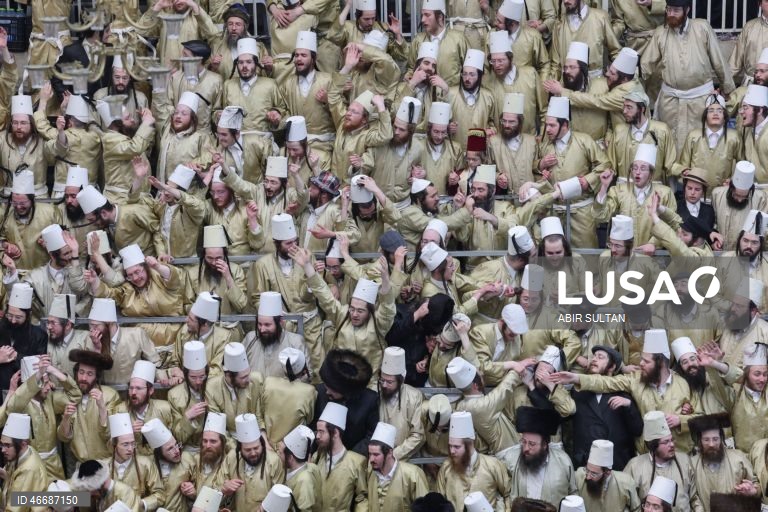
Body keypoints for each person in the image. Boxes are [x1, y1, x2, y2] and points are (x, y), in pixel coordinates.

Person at [553, 329, 699, 453]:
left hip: (679, 453)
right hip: (646, 454)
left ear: (660, 363)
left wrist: (680, 420)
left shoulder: (684, 384)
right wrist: (576, 378)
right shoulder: (635, 379)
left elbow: (702, 417)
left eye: (646, 361)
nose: (640, 364)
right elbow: (606, 382)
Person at [641, 0, 735, 151]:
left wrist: (728, 88)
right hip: (670, 101)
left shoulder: (702, 27)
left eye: (676, 11)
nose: (671, 14)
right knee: (668, 143)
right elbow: (646, 64)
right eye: (668, 10)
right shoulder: (660, 32)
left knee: (699, 141)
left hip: (699, 100)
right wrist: (629, 82)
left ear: (687, 10)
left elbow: (718, 60)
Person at [86, 244, 186, 349]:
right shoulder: (128, 289)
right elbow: (109, 293)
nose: (135, 278)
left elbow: (173, 277)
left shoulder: (159, 277)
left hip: (174, 340)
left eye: (137, 272)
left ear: (145, 268)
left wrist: (157, 266)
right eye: (130, 275)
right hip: (142, 345)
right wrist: (94, 281)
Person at [3, 355, 80, 480]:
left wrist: (53, 370)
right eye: (44, 383)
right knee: (29, 499)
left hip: (53, 464)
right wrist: (39, 374)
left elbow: (75, 396)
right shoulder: (21, 405)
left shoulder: (50, 398)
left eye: (48, 381)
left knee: (61, 498)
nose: (49, 386)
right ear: (34, 384)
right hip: (29, 467)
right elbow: (11, 406)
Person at [593, 144, 681, 248]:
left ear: (651, 174)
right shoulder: (618, 191)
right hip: (624, 256)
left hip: (654, 256)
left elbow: (672, 224)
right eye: (634, 168)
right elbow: (600, 216)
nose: (637, 172)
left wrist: (653, 244)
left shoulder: (665, 193)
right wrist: (604, 186)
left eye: (643, 169)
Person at [568, 345, 642, 470]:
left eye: (600, 357)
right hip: (586, 464)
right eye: (593, 357)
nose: (594, 359)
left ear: (612, 367)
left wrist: (628, 405)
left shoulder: (623, 394)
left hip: (616, 465)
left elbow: (637, 429)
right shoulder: (578, 392)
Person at [623, 411, 701, 512]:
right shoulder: (634, 466)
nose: (672, 445)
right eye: (666, 442)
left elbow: (695, 499)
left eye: (671, 440)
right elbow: (625, 503)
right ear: (653, 446)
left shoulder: (685, 461)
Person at [500, 406, 577, 505]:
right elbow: (502, 492)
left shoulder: (563, 461)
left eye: (532, 444)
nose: (526, 448)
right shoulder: (511, 459)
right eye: (523, 442)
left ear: (545, 445)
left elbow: (573, 494)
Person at [436, 411, 511, 510]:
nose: (452, 451)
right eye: (450, 446)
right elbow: (439, 502)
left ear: (469, 445)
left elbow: (508, 495)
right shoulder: (446, 467)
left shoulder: (492, 465)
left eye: (456, 447)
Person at [360, 96, 425, 208]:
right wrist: (357, 166)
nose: (396, 132)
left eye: (402, 130)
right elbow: (364, 167)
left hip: (404, 205)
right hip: (378, 204)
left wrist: (419, 175)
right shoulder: (380, 143)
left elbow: (418, 169)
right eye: (395, 127)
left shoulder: (418, 148)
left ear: (411, 132)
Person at [58, 349, 120, 463]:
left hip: (106, 463)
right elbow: (64, 437)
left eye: (89, 374)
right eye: (81, 372)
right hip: (81, 465)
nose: (84, 378)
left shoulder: (110, 395)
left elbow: (110, 435)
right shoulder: (70, 397)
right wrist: (66, 418)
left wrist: (101, 407)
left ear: (97, 376)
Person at [689, 413, 760, 511]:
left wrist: (753, 491)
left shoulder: (738, 458)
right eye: (706, 440)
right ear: (700, 441)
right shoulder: (692, 464)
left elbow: (756, 485)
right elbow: (692, 497)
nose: (711, 444)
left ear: (722, 439)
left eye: (715, 439)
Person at [671, 95, 742, 192]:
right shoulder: (694, 136)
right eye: (711, 110)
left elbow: (741, 163)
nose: (715, 113)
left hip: (723, 192)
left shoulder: (734, 137)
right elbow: (684, 164)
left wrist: (733, 181)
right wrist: (686, 173)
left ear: (725, 117)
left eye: (720, 111)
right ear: (705, 117)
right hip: (696, 193)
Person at [607, 88, 676, 184]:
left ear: (642, 109)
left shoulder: (662, 130)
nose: (624, 111)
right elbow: (611, 163)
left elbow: (670, 163)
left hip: (653, 190)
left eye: (629, 107)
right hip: (624, 189)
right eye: (624, 107)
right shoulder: (619, 131)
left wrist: (682, 170)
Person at [0, 95, 64, 197]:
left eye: (23, 123)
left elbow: (58, 149)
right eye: (15, 123)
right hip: (10, 199)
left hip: (38, 198)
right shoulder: (3, 139)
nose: (19, 127)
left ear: (31, 124)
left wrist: (60, 132)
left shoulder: (41, 141)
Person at [222, 38, 285, 135]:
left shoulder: (270, 84)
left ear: (256, 64)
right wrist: (218, 115)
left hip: (263, 143)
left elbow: (284, 110)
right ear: (236, 65)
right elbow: (217, 111)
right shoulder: (228, 85)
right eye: (241, 62)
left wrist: (277, 114)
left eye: (248, 62)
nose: (244, 66)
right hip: (235, 143)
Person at [220, 414, 284, 510]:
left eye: (256, 448)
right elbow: (216, 489)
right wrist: (224, 490)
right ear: (240, 449)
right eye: (248, 450)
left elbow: (280, 497)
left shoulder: (274, 461)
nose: (253, 453)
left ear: (262, 444)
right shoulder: (232, 458)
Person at [313, 402, 369, 511]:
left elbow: (362, 499)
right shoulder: (318, 456)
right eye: (317, 431)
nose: (317, 436)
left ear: (335, 433)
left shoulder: (356, 462)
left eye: (321, 432)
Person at [105, 412, 165, 511]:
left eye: (133, 444)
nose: (130, 449)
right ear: (114, 446)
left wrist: (141, 504)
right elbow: (88, 496)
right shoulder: (103, 467)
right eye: (125, 444)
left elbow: (160, 495)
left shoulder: (145, 464)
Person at [243, 291, 310, 379]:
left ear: (280, 322)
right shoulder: (250, 339)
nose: (262, 329)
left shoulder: (296, 342)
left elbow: (307, 376)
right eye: (259, 324)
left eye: (267, 325)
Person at [205, 342, 265, 438]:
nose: (248, 379)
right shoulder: (211, 388)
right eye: (243, 377)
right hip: (228, 440)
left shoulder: (256, 380)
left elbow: (259, 418)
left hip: (255, 436)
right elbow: (219, 428)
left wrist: (263, 442)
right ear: (228, 376)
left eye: (248, 374)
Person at [115, 361, 175, 457]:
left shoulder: (164, 408)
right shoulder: (120, 411)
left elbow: (175, 439)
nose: (133, 392)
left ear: (150, 390)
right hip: (133, 464)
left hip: (161, 461)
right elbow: (111, 444)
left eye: (138, 388)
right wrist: (128, 432)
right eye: (131, 388)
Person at [5, 170, 62, 271]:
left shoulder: (50, 212)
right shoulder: (6, 215)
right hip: (15, 272)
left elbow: (65, 242)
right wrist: (5, 245)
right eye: (14, 202)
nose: (18, 207)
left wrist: (51, 243)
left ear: (32, 200)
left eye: (22, 203)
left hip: (44, 274)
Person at [366, 422, 429, 511]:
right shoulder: (370, 472)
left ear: (390, 452)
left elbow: (424, 508)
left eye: (376, 455)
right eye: (370, 454)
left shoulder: (413, 474)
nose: (371, 459)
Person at [550, 0, 620, 80]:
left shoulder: (600, 18)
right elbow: (555, 64)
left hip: (595, 84)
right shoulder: (559, 24)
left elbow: (615, 52)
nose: (565, 1)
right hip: (567, 85)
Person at [377, 347, 425, 460]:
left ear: (401, 380)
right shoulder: (376, 393)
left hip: (404, 459)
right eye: (382, 380)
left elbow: (418, 435)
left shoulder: (415, 396)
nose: (384, 385)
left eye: (389, 382)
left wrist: (393, 455)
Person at [407, 0, 469, 87]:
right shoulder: (418, 40)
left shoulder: (458, 39)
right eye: (422, 15)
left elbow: (469, 70)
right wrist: (410, 77)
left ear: (440, 17)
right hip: (424, 98)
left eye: (427, 15)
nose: (422, 20)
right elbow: (411, 68)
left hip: (451, 97)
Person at [0, 413, 58, 504]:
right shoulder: (27, 451)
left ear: (23, 444)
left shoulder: (28, 469)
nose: (3, 450)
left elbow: (15, 505)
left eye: (7, 445)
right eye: (2, 444)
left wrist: (7, 480)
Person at [140, 418, 196, 512]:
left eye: (176, 445)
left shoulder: (186, 458)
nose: (177, 451)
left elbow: (200, 490)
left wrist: (193, 492)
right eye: (170, 449)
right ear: (159, 453)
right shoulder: (148, 465)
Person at [0, 283, 47, 391]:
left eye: (18, 317)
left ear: (28, 315)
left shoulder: (39, 335)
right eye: (10, 315)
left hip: (23, 393)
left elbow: (39, 367)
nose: (12, 321)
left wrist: (17, 356)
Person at [574, 440, 640, 511]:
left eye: (593, 473)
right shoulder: (579, 476)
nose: (588, 476)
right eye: (587, 470)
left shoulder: (626, 483)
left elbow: (636, 509)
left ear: (607, 472)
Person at [167, 341, 209, 451]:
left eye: (202, 376)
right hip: (187, 450)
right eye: (193, 377)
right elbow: (178, 437)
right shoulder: (174, 395)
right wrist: (188, 417)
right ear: (185, 374)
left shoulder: (213, 389)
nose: (199, 381)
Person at [278, 425, 323, 511]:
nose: (278, 455)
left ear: (290, 458)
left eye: (280, 453)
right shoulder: (311, 466)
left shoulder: (304, 482)